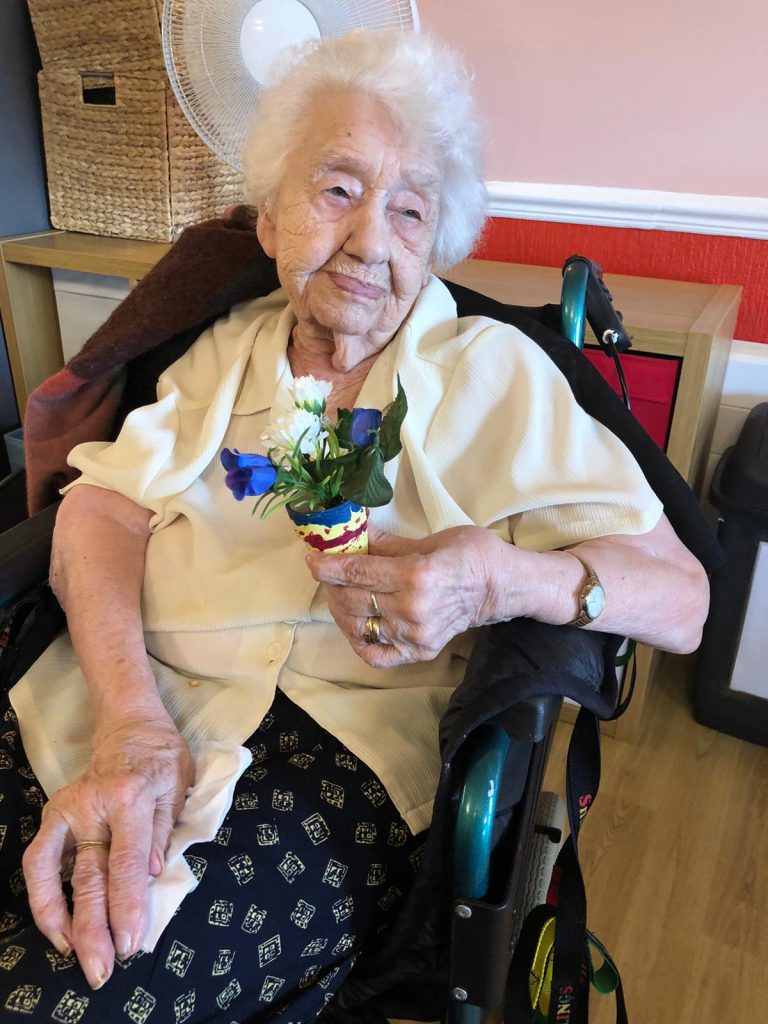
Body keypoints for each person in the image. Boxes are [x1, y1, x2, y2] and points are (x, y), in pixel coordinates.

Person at [2, 30, 708, 1023]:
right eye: (338, 190)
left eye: (410, 210)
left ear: (436, 241)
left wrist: (503, 579)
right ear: (269, 218)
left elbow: (683, 600)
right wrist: (129, 720)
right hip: (114, 692)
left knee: (65, 996)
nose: (373, 241)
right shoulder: (225, 349)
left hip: (331, 758)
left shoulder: (494, 373)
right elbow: (101, 506)